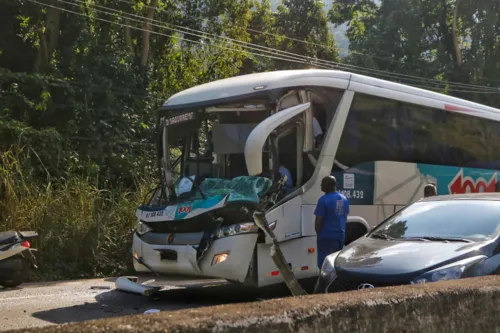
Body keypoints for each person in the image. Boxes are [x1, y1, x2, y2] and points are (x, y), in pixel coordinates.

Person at [314, 176, 349, 269]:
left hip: (326, 238)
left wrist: (318, 232)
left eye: (322, 184)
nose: (321, 186)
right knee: (336, 264)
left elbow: (318, 221)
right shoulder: (344, 199)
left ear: (328, 185)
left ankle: (325, 282)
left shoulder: (323, 200)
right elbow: (345, 218)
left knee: (324, 265)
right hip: (340, 237)